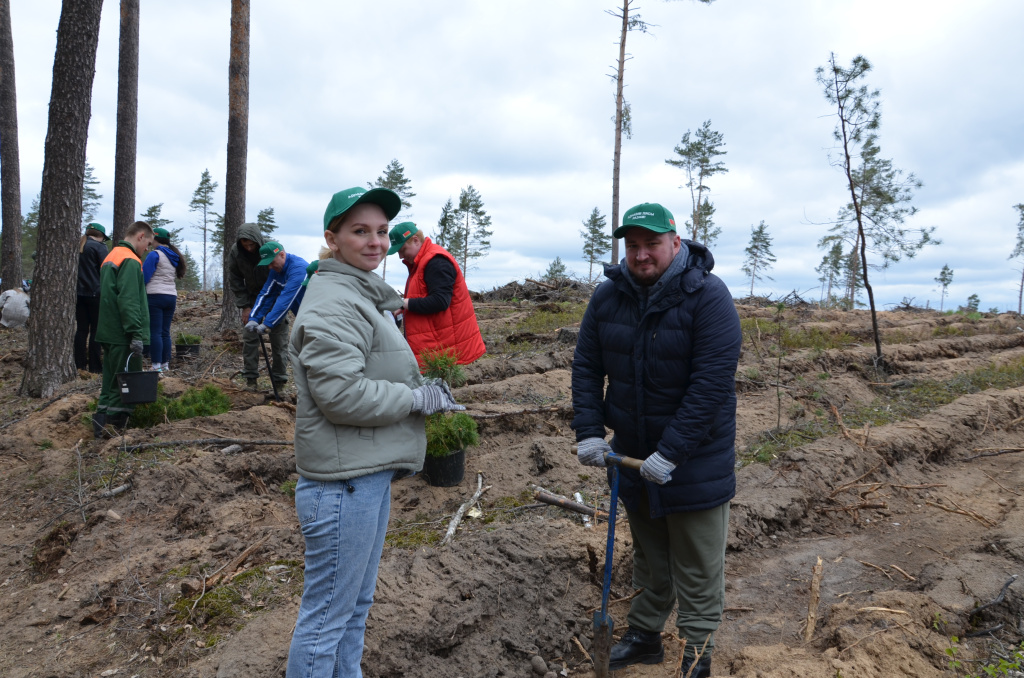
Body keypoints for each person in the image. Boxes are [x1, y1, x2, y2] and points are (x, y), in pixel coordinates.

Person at [286, 186, 463, 678]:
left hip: (363, 475)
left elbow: (368, 371)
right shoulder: (334, 303)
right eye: (360, 231)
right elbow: (340, 395)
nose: (376, 242)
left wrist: (422, 389)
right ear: (332, 238)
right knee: (327, 618)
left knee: (353, 606)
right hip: (342, 484)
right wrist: (415, 399)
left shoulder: (359, 294)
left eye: (382, 232)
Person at [571, 202, 741, 677]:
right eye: (633, 245)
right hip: (632, 455)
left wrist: (671, 453)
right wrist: (590, 431)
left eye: (652, 243)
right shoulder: (608, 297)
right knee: (649, 556)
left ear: (676, 242)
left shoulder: (709, 297)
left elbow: (710, 386)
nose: (641, 254)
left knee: (697, 563)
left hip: (694, 459)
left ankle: (697, 654)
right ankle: (645, 636)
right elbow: (586, 367)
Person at [388, 222, 486, 366]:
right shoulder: (420, 263)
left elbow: (440, 301)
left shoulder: (436, 261)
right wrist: (403, 307)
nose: (400, 256)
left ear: (415, 240)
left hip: (444, 349)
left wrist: (405, 303)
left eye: (402, 250)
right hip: (436, 347)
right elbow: (423, 296)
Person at [93, 220, 155, 438]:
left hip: (108, 331)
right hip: (123, 335)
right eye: (148, 244)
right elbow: (128, 300)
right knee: (124, 384)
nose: (146, 249)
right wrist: (136, 333)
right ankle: (115, 432)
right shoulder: (130, 260)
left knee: (109, 383)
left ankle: (100, 428)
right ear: (140, 236)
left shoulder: (111, 256)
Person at [244, 241, 308, 388]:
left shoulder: (299, 269)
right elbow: (267, 293)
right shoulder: (276, 271)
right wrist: (254, 318)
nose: (270, 267)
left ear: (282, 255)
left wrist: (267, 323)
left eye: (272, 263)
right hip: (304, 316)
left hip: (321, 317)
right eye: (268, 264)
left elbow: (285, 299)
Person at [226, 222, 277, 389]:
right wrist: (245, 306)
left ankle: (279, 382)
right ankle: (251, 380)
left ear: (258, 240)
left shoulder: (270, 247)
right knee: (250, 337)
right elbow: (235, 279)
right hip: (253, 298)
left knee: (279, 338)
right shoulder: (236, 252)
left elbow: (281, 271)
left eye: (252, 244)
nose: (248, 248)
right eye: (245, 245)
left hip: (274, 297)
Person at [143, 227, 187, 373]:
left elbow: (145, 276)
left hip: (155, 295)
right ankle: (165, 364)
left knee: (155, 332)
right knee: (165, 332)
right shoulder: (173, 255)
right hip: (171, 296)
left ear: (154, 239)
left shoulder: (155, 254)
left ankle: (156, 365)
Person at [75, 223, 109, 372]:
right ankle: (95, 367)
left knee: (81, 330)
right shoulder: (99, 247)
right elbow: (106, 269)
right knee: (96, 330)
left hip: (79, 294)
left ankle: (79, 365)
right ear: (101, 236)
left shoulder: (78, 246)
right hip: (96, 294)